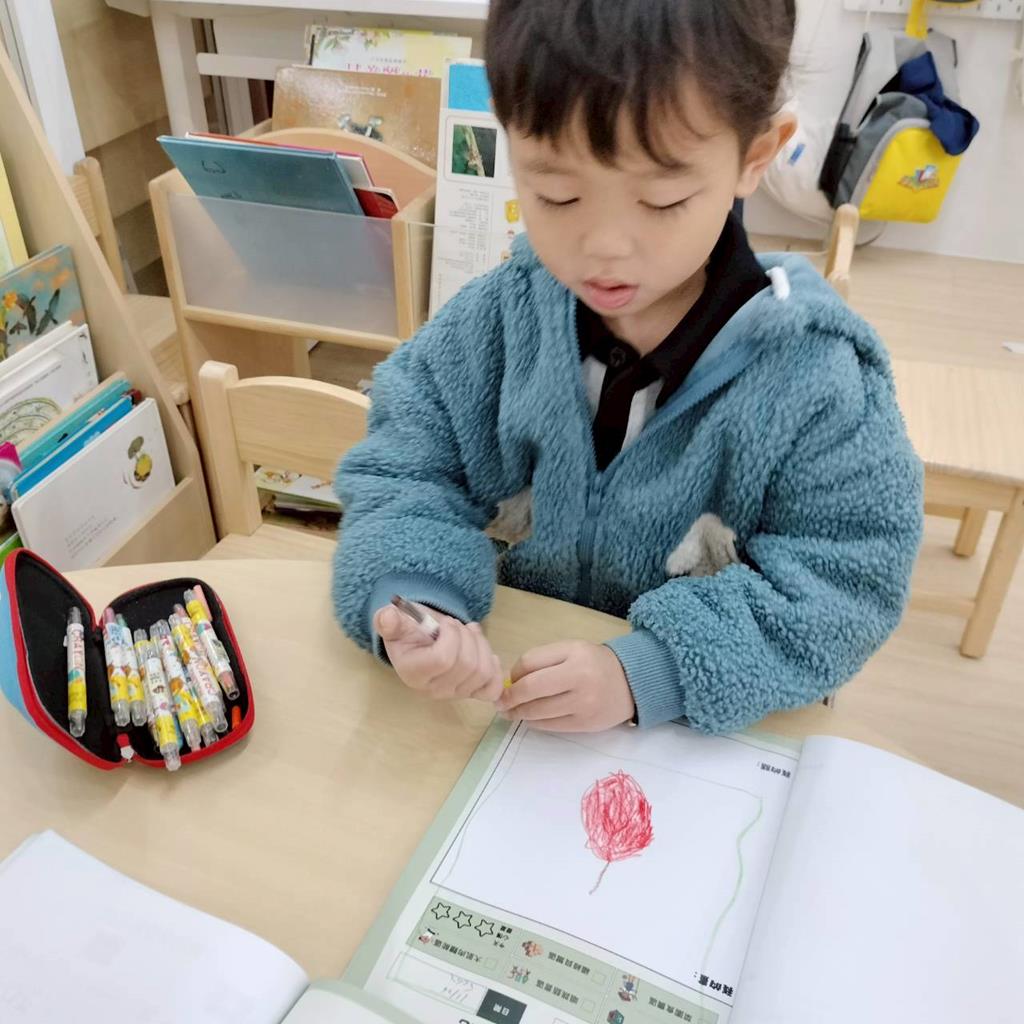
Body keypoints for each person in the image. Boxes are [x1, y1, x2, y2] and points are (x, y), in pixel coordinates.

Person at [332, 0, 923, 735]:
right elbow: (405, 465)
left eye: (661, 199)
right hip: (510, 723)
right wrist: (419, 600)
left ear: (755, 156)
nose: (604, 246)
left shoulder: (816, 376)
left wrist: (652, 670)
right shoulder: (505, 316)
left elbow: (846, 585)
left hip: (703, 747)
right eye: (557, 193)